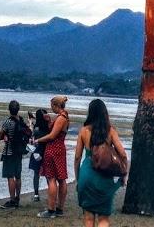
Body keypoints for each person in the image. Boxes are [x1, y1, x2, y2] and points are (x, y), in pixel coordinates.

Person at [74, 98, 128, 227]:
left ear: (90, 113)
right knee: (103, 219)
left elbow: (77, 157)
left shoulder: (84, 131)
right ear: (105, 113)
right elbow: (123, 155)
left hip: (86, 175)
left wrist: (78, 178)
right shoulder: (110, 131)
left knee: (88, 218)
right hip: (104, 175)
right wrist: (124, 175)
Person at [34, 95, 70, 219]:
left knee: (51, 178)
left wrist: (38, 140)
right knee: (62, 178)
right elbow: (57, 131)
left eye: (52, 107)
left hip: (53, 149)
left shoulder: (60, 118)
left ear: (56, 105)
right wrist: (49, 121)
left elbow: (52, 136)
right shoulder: (65, 116)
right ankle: (59, 209)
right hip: (60, 150)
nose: (51, 109)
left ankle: (50, 210)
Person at [0, 99, 31, 209]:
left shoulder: (8, 122)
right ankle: (17, 199)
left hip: (9, 151)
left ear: (9, 109)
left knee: (10, 176)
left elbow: (0, 136)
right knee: (18, 176)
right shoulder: (21, 121)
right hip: (19, 152)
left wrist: (5, 135)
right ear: (18, 110)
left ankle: (12, 200)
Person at [29, 108, 51, 201]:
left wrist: (30, 123)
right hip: (46, 151)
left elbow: (32, 136)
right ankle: (51, 192)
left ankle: (36, 195)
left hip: (37, 153)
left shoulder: (36, 129)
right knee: (47, 174)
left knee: (36, 174)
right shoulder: (49, 128)